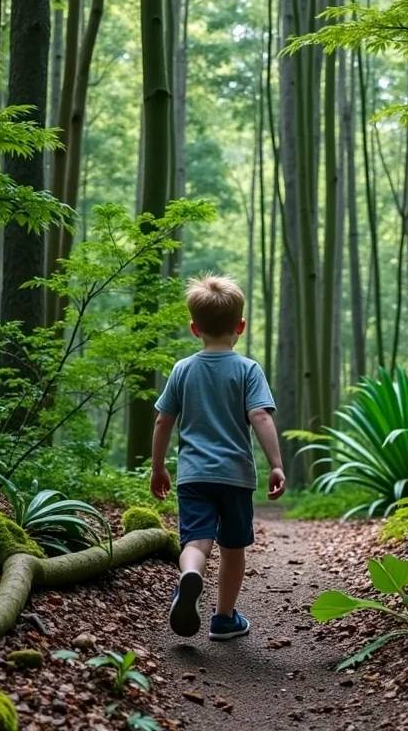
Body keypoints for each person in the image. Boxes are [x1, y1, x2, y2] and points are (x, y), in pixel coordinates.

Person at [150, 273, 286, 642]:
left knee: (196, 540)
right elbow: (260, 416)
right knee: (232, 547)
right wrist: (275, 463)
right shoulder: (247, 369)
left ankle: (189, 576)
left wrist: (158, 466)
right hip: (235, 475)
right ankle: (224, 618)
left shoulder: (182, 369)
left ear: (195, 328)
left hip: (193, 475)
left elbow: (164, 420)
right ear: (240, 326)